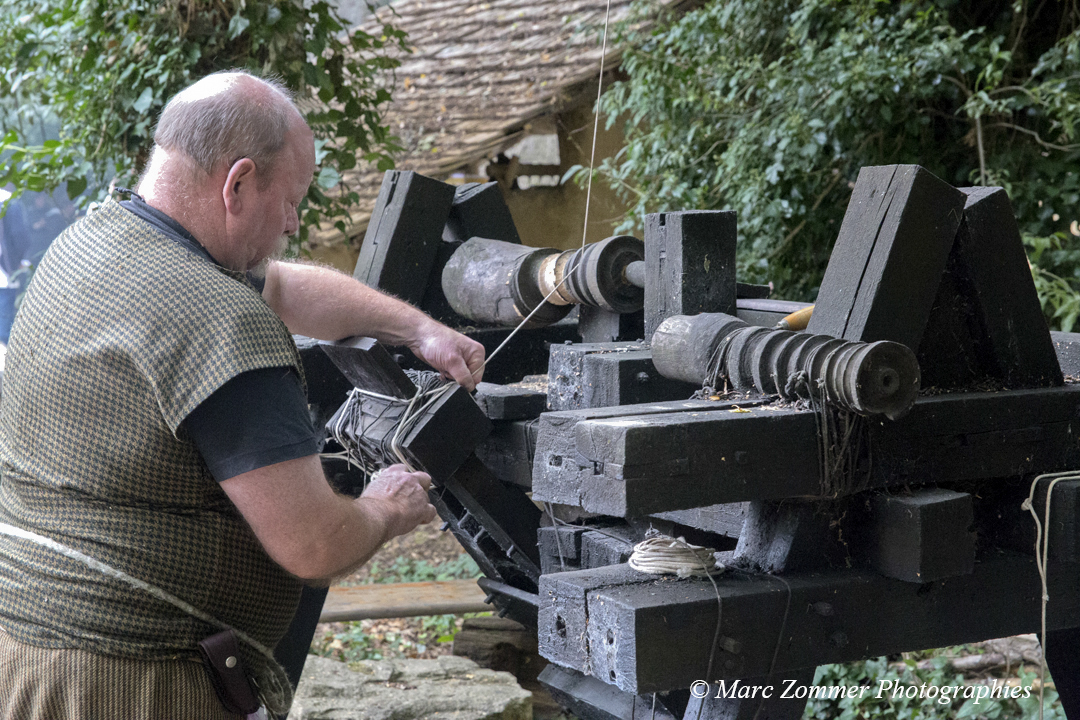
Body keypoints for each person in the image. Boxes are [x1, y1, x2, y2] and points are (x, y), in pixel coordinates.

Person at [0, 70, 485, 718]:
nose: (292, 221)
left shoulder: (96, 244)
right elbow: (313, 545)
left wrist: (419, 329)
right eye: (291, 199)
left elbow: (278, 286)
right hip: (129, 685)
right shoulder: (218, 323)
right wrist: (385, 508)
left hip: (29, 653)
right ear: (237, 183)